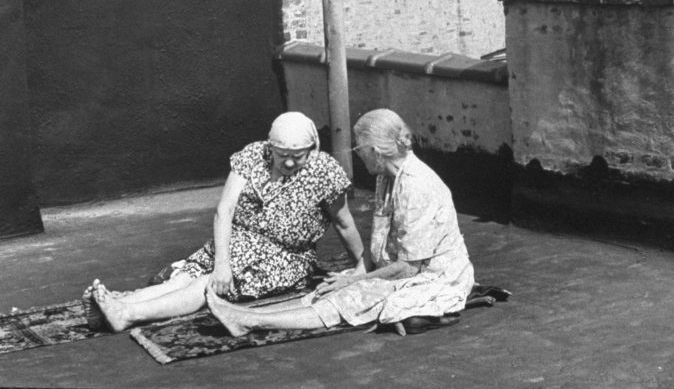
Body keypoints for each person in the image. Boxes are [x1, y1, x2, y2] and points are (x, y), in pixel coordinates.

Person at [86, 111, 365, 333]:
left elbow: (343, 223)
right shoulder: (253, 156)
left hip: (285, 257)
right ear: (271, 147)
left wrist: (363, 264)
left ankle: (126, 314)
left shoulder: (325, 172)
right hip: (237, 241)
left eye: (298, 157)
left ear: (312, 149)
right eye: (283, 156)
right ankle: (114, 304)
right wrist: (222, 262)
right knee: (186, 276)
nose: (289, 163)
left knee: (208, 284)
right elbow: (225, 210)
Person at [205, 108, 474, 337]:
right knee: (332, 286)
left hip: (434, 277)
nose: (358, 155)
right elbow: (380, 240)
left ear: (376, 151)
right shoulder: (386, 177)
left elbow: (408, 268)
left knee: (350, 296)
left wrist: (358, 281)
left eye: (359, 149)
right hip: (399, 268)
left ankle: (251, 321)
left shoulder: (418, 187)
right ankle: (244, 313)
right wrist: (357, 273)